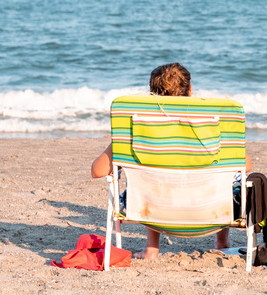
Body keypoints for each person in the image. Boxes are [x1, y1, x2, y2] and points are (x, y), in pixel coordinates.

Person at [91, 62, 254, 260]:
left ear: (152, 93)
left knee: (148, 180)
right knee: (226, 179)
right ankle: (222, 242)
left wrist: (121, 144)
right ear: (190, 90)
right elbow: (246, 166)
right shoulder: (212, 125)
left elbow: (97, 171)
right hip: (209, 209)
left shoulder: (136, 129)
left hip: (154, 208)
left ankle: (151, 248)